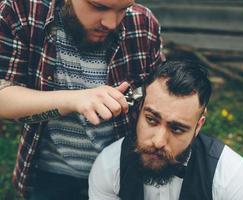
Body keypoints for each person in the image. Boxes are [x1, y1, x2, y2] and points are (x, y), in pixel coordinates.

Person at [0, 0, 163, 199]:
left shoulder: (144, 23)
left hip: (121, 173)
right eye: (99, 7)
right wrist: (74, 100)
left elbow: (160, 92)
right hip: (50, 173)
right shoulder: (21, 10)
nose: (111, 23)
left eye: (123, 9)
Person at [89, 60, 243, 200]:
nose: (158, 141)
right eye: (151, 120)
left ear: (198, 126)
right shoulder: (109, 167)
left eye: (177, 129)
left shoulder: (232, 178)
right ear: (139, 109)